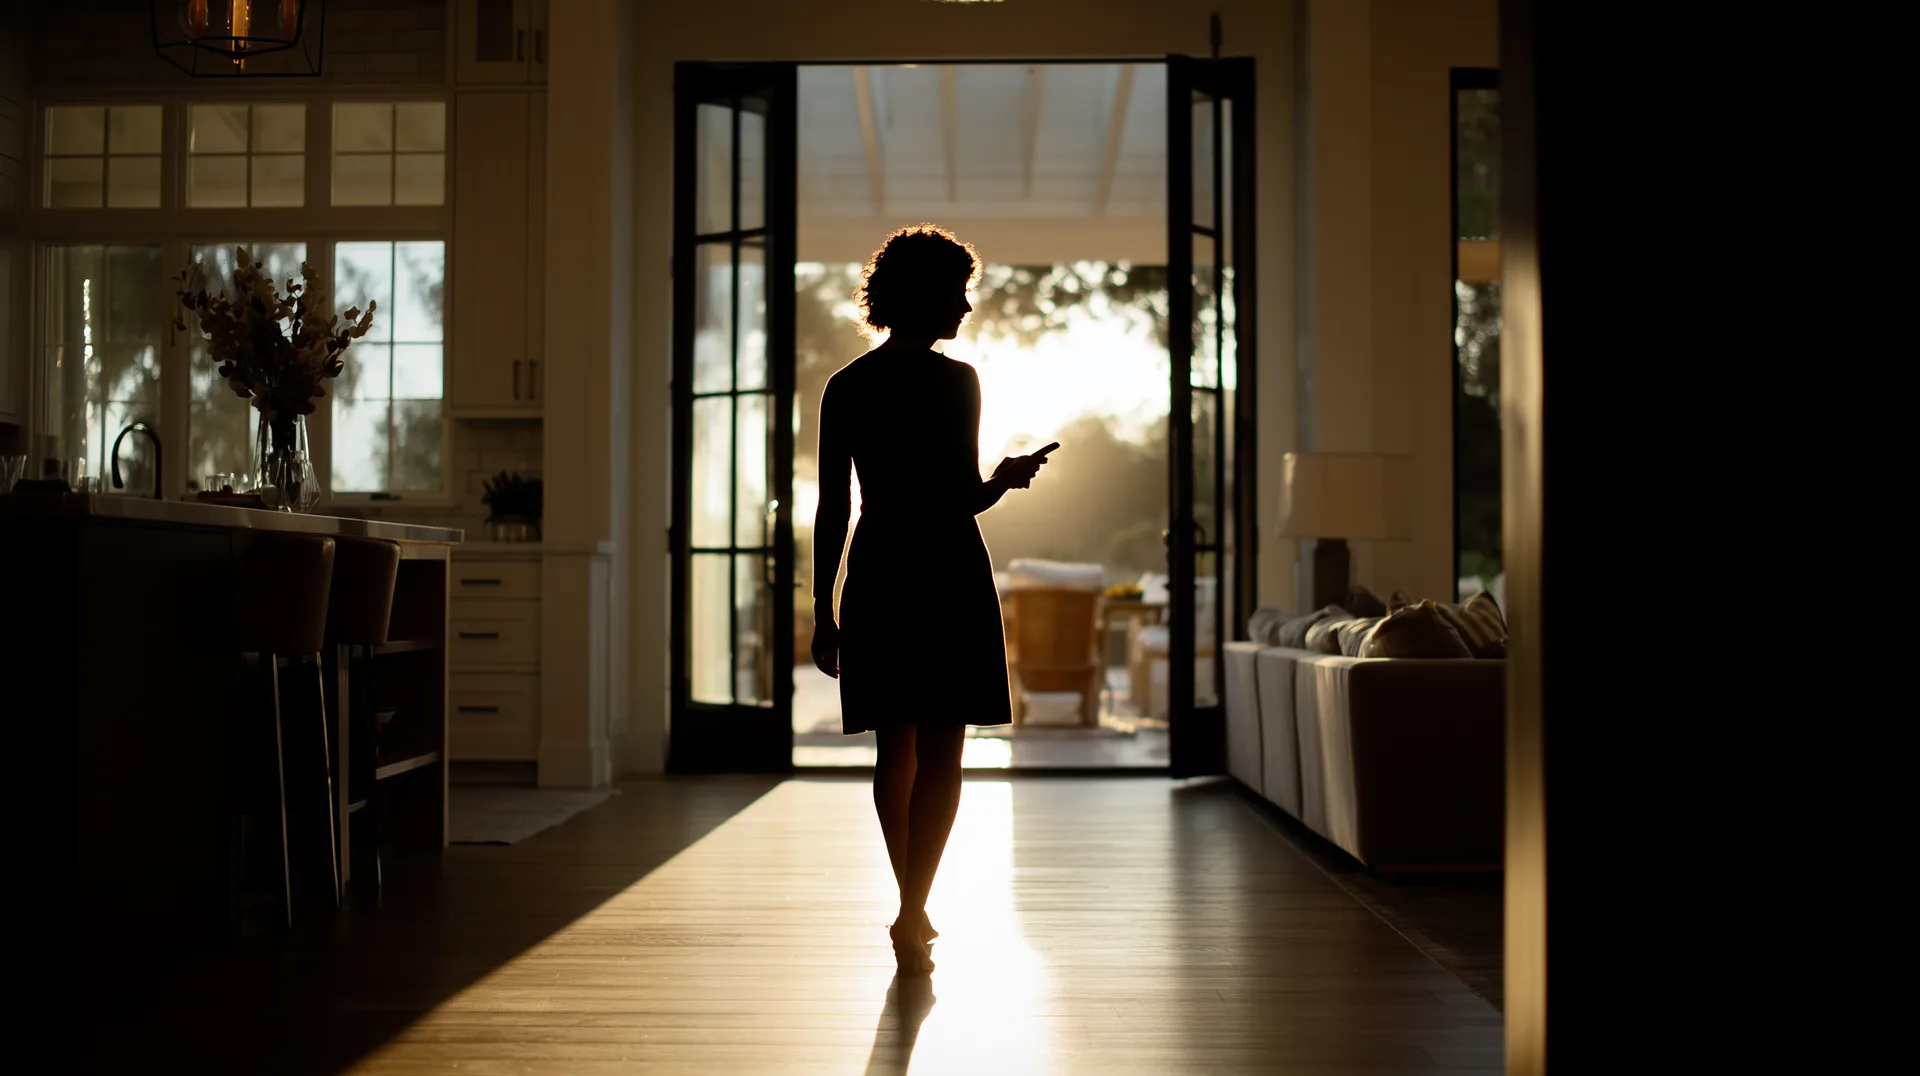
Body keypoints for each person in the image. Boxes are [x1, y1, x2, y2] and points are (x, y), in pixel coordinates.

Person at [810, 223, 1052, 976]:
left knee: (897, 748)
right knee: (945, 747)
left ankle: (910, 905)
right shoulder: (958, 382)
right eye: (960, 291)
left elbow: (832, 507)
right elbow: (960, 499)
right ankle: (912, 907)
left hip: (881, 569)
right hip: (949, 571)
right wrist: (1003, 481)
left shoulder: (847, 386)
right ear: (930, 294)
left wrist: (822, 608)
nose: (967, 307)